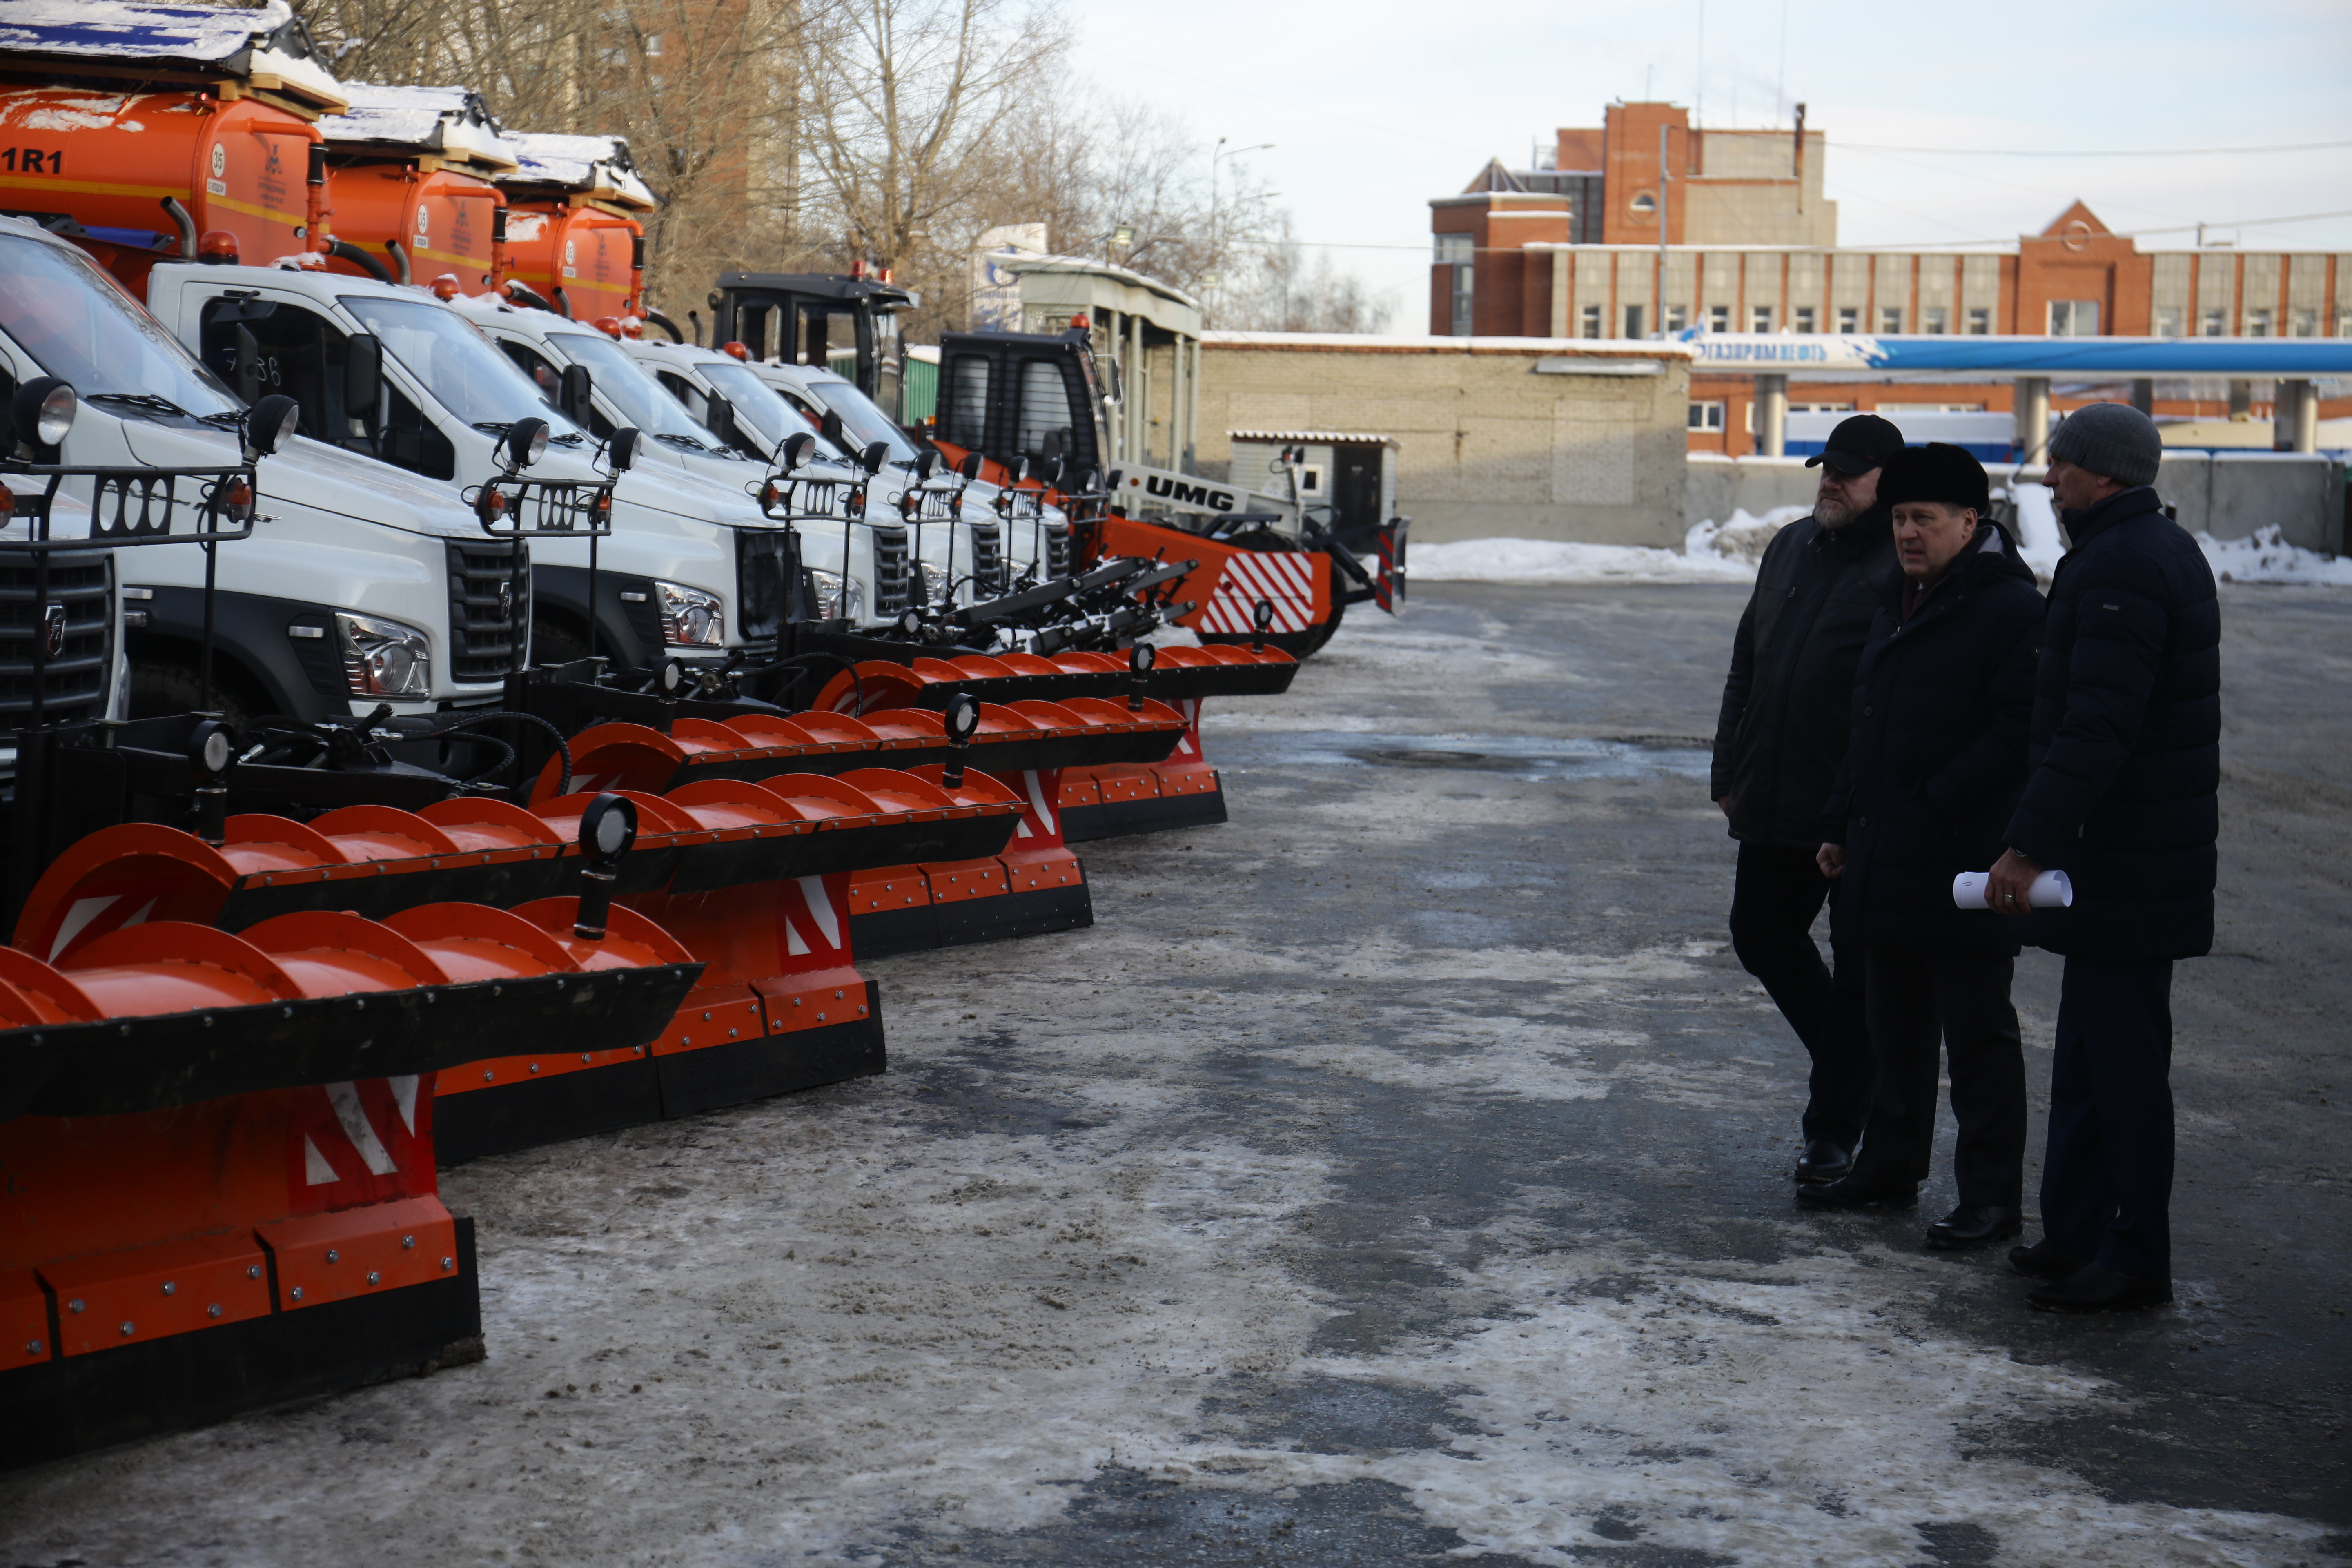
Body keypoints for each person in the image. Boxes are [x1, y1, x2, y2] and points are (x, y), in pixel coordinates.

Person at [1986, 403, 2218, 1314]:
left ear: (2104, 475)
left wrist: (2025, 846)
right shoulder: (2135, 550)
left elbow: (2097, 730)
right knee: (2086, 1058)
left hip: (2130, 866)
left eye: (2062, 466)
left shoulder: (2125, 566)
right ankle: (2079, 1234)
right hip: (2123, 864)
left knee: (2120, 1070)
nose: (2050, 480)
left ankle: (2133, 1257)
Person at [1800, 445, 2044, 1247]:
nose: (1908, 533)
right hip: (1883, 855)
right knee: (1892, 1031)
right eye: (1900, 518)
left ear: (1970, 523)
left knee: (1978, 1043)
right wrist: (1839, 822)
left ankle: (1991, 1201)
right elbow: (1864, 726)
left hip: (1965, 862)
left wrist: (1937, 799)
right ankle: (1889, 1166)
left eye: (1924, 519)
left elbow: (2021, 732)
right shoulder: (1897, 599)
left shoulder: (2009, 609)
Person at [1711, 413, 1904, 1187]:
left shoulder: (1902, 563)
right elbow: (1745, 662)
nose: (1833, 480)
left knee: (1860, 971)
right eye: (1829, 466)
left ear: (1890, 484)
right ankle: (1863, 1080)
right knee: (1761, 936)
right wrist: (1729, 768)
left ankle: (1833, 1131)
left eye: (1851, 471)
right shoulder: (1792, 545)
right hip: (1776, 794)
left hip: (1853, 806)